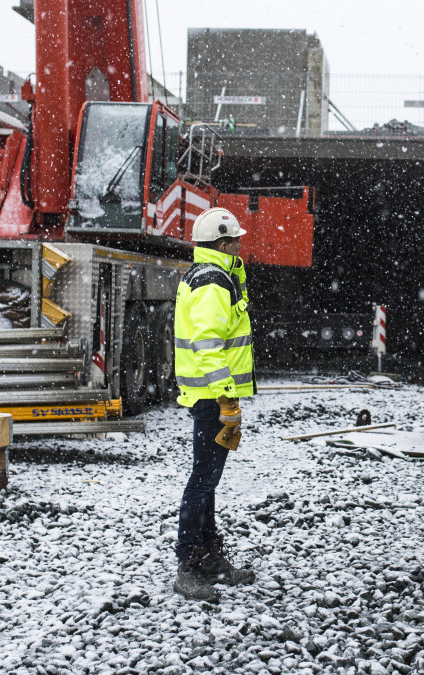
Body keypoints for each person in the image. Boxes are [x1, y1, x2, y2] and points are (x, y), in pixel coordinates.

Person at [172, 207, 257, 602]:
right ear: (223, 244)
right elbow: (208, 346)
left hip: (210, 396)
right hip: (212, 397)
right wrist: (226, 398)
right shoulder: (213, 282)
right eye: (235, 241)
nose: (240, 246)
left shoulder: (207, 275)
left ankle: (209, 558)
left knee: (207, 480)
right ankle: (188, 564)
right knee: (203, 480)